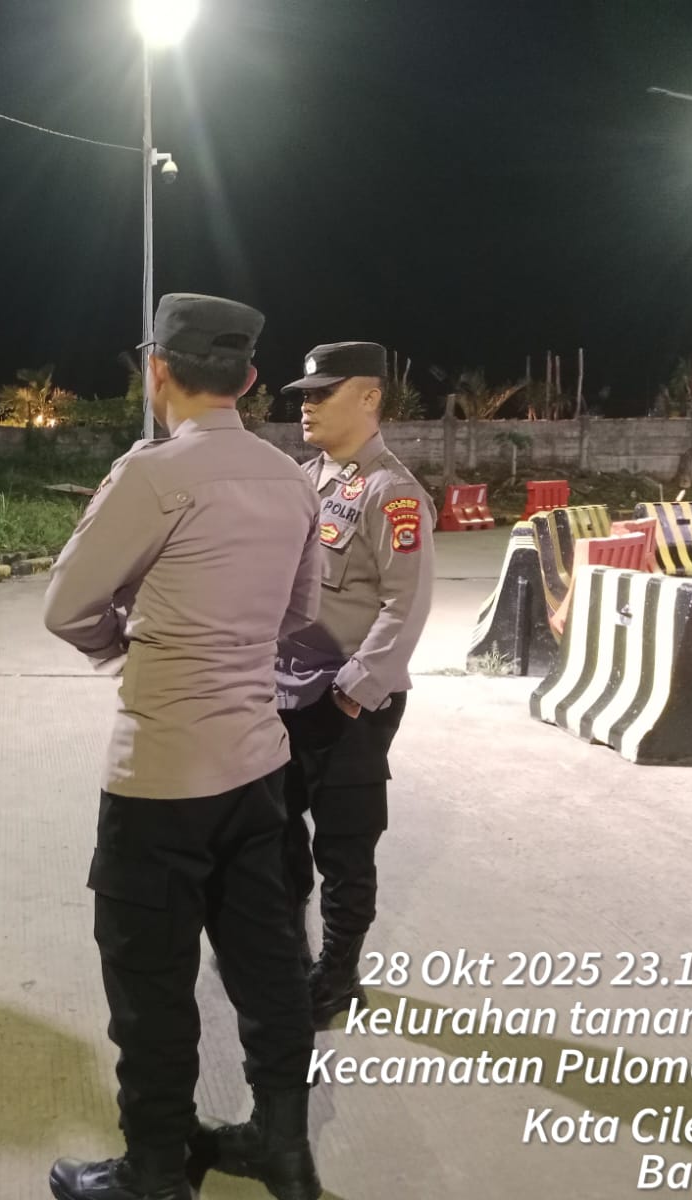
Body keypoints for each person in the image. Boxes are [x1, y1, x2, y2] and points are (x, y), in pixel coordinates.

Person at [42, 294, 325, 1200]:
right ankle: (283, 1149)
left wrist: (130, 644)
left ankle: (158, 1170)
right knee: (270, 965)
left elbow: (66, 608)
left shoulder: (152, 475)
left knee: (150, 982)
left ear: (157, 371)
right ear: (248, 378)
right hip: (259, 769)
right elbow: (302, 612)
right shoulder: (292, 478)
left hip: (160, 775)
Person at [276, 341, 435, 1028]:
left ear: (370, 398)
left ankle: (337, 975)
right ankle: (286, 957)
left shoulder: (391, 493)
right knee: (277, 836)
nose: (306, 406)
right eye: (305, 395)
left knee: (343, 848)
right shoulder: (303, 480)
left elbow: (407, 605)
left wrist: (351, 693)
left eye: (323, 393)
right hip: (284, 694)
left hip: (348, 704)